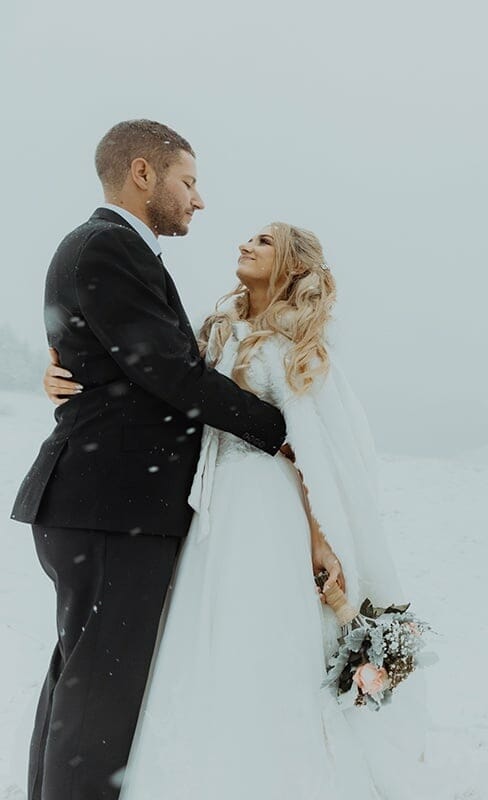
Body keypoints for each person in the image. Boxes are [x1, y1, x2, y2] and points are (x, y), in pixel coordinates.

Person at [10, 119, 303, 800]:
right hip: (111, 507)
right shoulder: (107, 248)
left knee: (81, 691)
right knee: (99, 706)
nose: (199, 200)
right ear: (143, 173)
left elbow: (118, 364)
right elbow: (169, 371)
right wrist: (283, 429)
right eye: (188, 181)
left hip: (102, 503)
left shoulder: (109, 250)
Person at [109, 222, 433, 798]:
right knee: (202, 633)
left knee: (257, 635)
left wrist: (318, 536)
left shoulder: (295, 347)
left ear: (293, 267)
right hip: (209, 508)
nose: (245, 244)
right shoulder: (216, 332)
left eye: (263, 242)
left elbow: (314, 451)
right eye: (248, 237)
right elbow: (164, 383)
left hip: (266, 510)